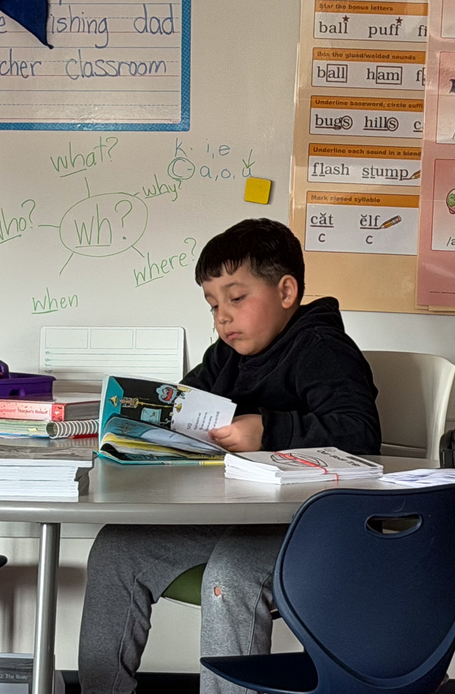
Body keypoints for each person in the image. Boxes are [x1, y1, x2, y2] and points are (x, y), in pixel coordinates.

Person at [78, 218, 381, 694]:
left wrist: (269, 430)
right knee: (116, 550)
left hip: (310, 523)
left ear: (286, 291)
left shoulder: (322, 349)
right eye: (213, 303)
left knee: (231, 575)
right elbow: (185, 404)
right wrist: (142, 429)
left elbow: (360, 433)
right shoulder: (226, 356)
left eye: (236, 298)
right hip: (239, 513)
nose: (222, 316)